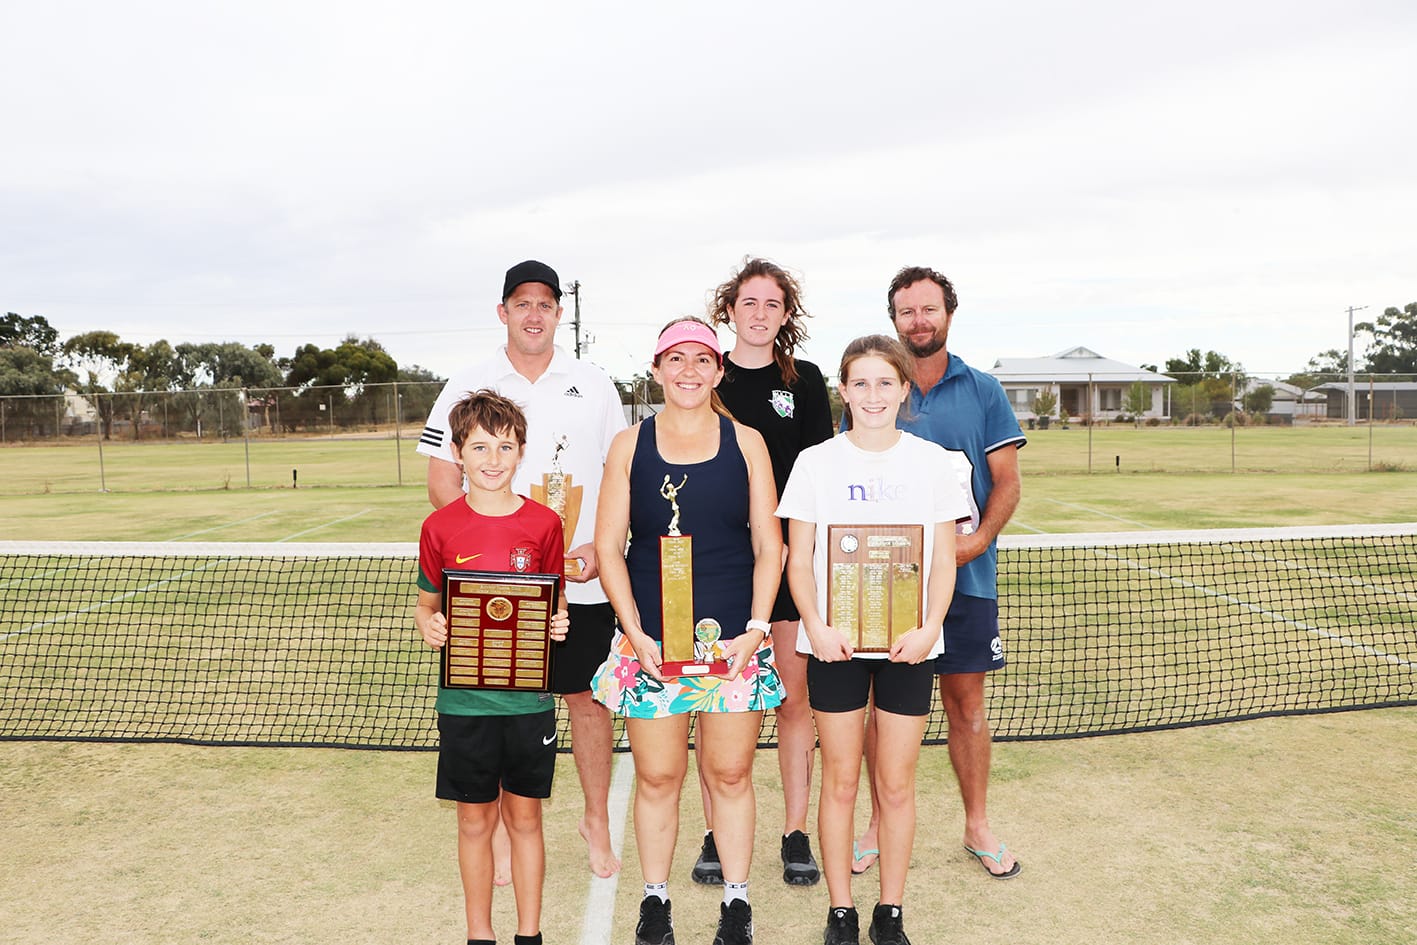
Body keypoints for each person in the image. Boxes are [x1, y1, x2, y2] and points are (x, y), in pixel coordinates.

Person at [417, 260, 626, 881]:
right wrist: (491, 550)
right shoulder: (469, 380)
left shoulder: (594, 382)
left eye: (546, 304)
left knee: (588, 702)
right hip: (493, 589)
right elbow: (440, 476)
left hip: (580, 584)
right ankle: (508, 832)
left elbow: (620, 476)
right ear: (502, 312)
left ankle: (595, 821)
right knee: (506, 700)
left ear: (559, 313)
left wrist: (596, 551)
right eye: (521, 303)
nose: (534, 314)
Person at [590, 317, 784, 945]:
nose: (689, 371)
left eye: (702, 360)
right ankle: (655, 901)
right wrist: (635, 632)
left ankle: (736, 903)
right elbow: (611, 549)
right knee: (658, 777)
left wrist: (755, 630)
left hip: (733, 649)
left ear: (719, 371)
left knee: (730, 775)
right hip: (652, 650)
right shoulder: (629, 446)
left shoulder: (748, 442)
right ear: (656, 369)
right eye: (676, 359)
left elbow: (769, 546)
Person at [777, 334, 970, 945]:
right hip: (834, 645)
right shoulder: (816, 462)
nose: (873, 394)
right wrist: (816, 626)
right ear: (843, 391)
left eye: (885, 382)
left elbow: (943, 561)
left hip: (909, 647)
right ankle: (841, 910)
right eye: (860, 382)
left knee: (895, 783)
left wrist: (929, 629)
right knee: (839, 780)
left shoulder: (934, 462)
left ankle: (890, 911)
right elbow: (798, 559)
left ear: (904, 390)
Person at [852, 266, 1026, 882]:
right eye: (906, 312)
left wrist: (976, 542)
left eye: (929, 309)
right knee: (882, 708)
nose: (918, 321)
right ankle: (875, 824)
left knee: (966, 704)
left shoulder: (983, 390)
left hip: (967, 581)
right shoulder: (878, 390)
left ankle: (977, 825)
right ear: (893, 318)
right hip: (889, 585)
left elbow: (1006, 482)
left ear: (949, 312)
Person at [691, 257, 834, 888]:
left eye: (771, 304)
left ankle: (794, 831)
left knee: (794, 700)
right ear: (729, 310)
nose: (758, 313)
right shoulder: (706, 379)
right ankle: (716, 834)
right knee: (713, 700)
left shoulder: (804, 380)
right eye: (748, 302)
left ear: (785, 314)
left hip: (789, 561)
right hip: (721, 567)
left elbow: (821, 472)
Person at [413, 389, 571, 945]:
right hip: (464, 706)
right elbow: (428, 605)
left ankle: (530, 934)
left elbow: (554, 603)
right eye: (479, 446)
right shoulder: (440, 528)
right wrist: (429, 626)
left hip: (528, 704)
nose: (493, 458)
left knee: (526, 820)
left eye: (505, 446)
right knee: (474, 821)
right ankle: (479, 933)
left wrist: (559, 623)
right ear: (458, 452)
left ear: (521, 451)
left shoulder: (545, 525)